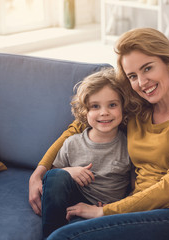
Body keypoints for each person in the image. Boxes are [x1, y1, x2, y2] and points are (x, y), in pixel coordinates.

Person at [29, 28, 169, 240]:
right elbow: (80, 125)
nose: (142, 82)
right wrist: (38, 174)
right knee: (60, 207)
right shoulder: (138, 109)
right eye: (132, 76)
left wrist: (105, 211)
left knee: (64, 237)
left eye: (147, 68)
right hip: (134, 205)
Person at [40, 68, 133, 237]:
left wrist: (110, 209)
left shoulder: (129, 145)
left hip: (105, 211)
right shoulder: (72, 143)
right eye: (95, 106)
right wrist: (69, 171)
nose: (104, 112)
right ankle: (50, 234)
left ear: (123, 107)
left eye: (112, 105)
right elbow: (52, 177)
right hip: (72, 201)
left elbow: (135, 189)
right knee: (57, 176)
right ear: (85, 111)